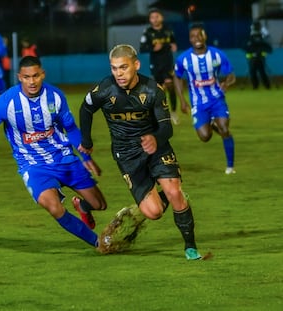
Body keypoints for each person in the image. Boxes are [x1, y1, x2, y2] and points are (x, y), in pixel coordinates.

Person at [0, 56, 107, 249]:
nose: (32, 81)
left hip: (64, 158)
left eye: (36, 76)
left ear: (42, 74)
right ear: (19, 77)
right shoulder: (7, 102)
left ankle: (82, 206)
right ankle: (98, 242)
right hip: (33, 165)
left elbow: (71, 128)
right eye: (26, 77)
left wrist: (85, 156)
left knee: (99, 204)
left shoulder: (55, 96)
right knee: (54, 207)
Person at [78, 44, 202, 260]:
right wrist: (86, 140)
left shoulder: (153, 89)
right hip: (126, 154)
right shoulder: (104, 90)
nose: (119, 73)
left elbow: (166, 127)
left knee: (174, 193)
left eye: (123, 67)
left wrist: (155, 138)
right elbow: (85, 108)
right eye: (114, 68)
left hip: (156, 147)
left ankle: (190, 248)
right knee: (153, 212)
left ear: (136, 65)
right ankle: (168, 195)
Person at [173, 23, 236, 175]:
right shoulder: (184, 59)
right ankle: (214, 125)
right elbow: (177, 77)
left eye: (199, 35)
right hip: (198, 103)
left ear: (205, 36)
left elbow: (231, 75)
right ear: (189, 39)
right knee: (205, 137)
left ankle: (230, 167)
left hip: (217, 100)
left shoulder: (217, 54)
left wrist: (227, 83)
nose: (197, 39)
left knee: (225, 129)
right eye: (193, 36)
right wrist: (182, 100)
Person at [139, 8, 179, 125]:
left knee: (170, 85)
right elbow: (142, 48)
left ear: (161, 17)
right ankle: (159, 114)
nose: (155, 19)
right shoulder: (148, 32)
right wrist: (153, 48)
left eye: (157, 16)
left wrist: (174, 45)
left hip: (168, 63)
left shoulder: (168, 30)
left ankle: (174, 112)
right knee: (159, 90)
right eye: (152, 17)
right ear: (150, 19)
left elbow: (173, 42)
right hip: (156, 65)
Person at [244, 21, 273, 90]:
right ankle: (257, 86)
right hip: (254, 58)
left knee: (261, 71)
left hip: (259, 58)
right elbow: (247, 47)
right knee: (254, 72)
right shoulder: (252, 38)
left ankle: (265, 86)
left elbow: (266, 46)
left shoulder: (261, 37)